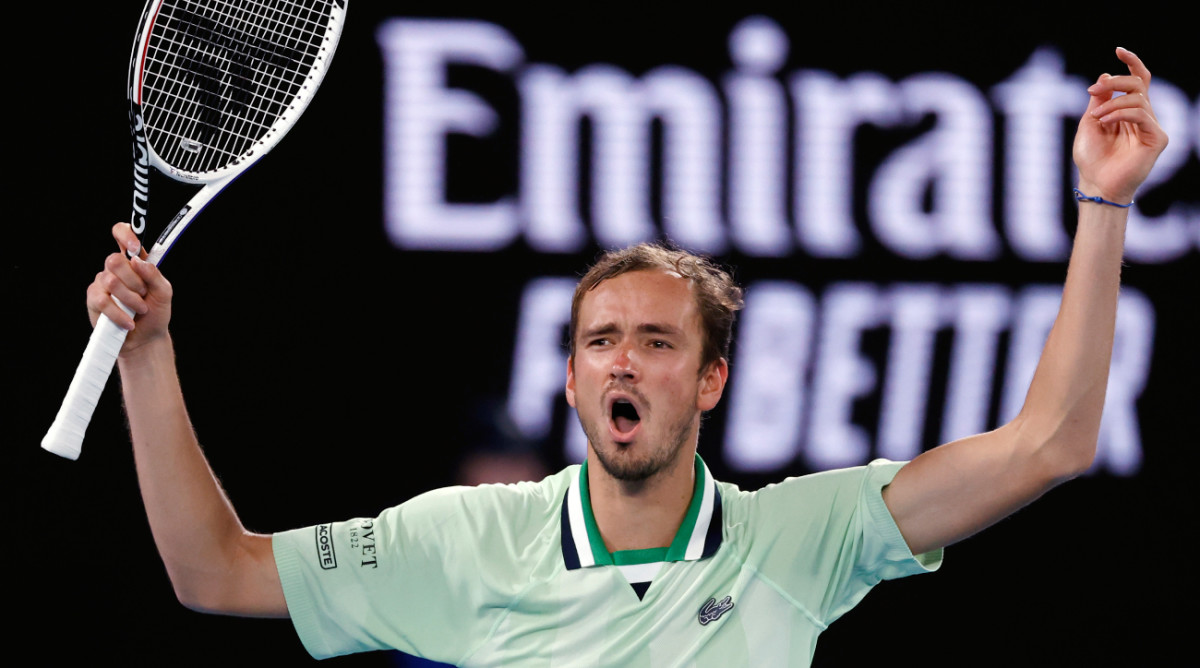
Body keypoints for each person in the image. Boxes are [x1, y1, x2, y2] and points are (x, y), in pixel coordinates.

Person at [88, 48, 1167, 666]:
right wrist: (149, 354)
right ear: (570, 379)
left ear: (710, 380)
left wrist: (1103, 204)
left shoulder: (802, 536)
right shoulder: (466, 540)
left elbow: (1053, 442)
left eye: (657, 343)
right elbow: (214, 570)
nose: (623, 364)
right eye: (600, 342)